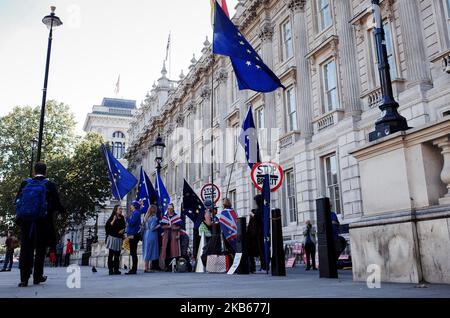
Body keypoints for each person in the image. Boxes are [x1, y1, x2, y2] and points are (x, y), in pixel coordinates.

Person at [15, 161, 65, 287]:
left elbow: (17, 200)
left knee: (26, 249)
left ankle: (24, 279)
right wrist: (61, 210)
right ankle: (37, 277)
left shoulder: (25, 183)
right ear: (45, 171)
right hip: (43, 222)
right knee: (40, 250)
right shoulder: (49, 184)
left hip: (26, 222)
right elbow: (57, 204)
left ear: (34, 171)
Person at [125, 200, 145, 275]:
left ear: (134, 206)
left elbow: (132, 223)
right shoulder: (135, 213)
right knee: (132, 252)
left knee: (133, 252)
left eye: (132, 205)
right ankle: (133, 269)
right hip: (132, 234)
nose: (130, 206)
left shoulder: (136, 213)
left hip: (134, 235)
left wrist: (127, 218)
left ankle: (134, 269)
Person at [160, 203, 182, 271]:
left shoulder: (176, 217)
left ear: (173, 209)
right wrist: (168, 226)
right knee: (166, 250)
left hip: (174, 235)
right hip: (166, 236)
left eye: (171, 208)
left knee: (174, 251)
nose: (169, 210)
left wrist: (174, 227)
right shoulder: (165, 217)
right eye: (168, 208)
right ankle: (167, 266)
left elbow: (180, 226)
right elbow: (162, 226)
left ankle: (174, 266)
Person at [105, 205, 126, 275]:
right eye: (119, 209)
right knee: (111, 254)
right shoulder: (112, 217)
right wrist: (114, 220)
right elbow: (107, 227)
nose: (121, 210)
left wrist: (123, 230)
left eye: (121, 209)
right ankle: (110, 269)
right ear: (116, 210)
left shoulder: (122, 217)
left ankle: (116, 269)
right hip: (112, 238)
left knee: (117, 255)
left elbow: (124, 226)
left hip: (119, 238)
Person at [253, 194, 268, 272]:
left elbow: (257, 218)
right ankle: (264, 266)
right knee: (262, 249)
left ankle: (264, 266)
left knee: (262, 249)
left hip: (260, 232)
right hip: (261, 231)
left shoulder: (261, 209)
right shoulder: (262, 208)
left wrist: (253, 215)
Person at [142, 205, 160, 273]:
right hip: (151, 235)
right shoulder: (154, 218)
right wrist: (159, 225)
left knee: (147, 250)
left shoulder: (146, 217)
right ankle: (148, 268)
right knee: (151, 250)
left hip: (146, 234)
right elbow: (152, 228)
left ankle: (147, 267)